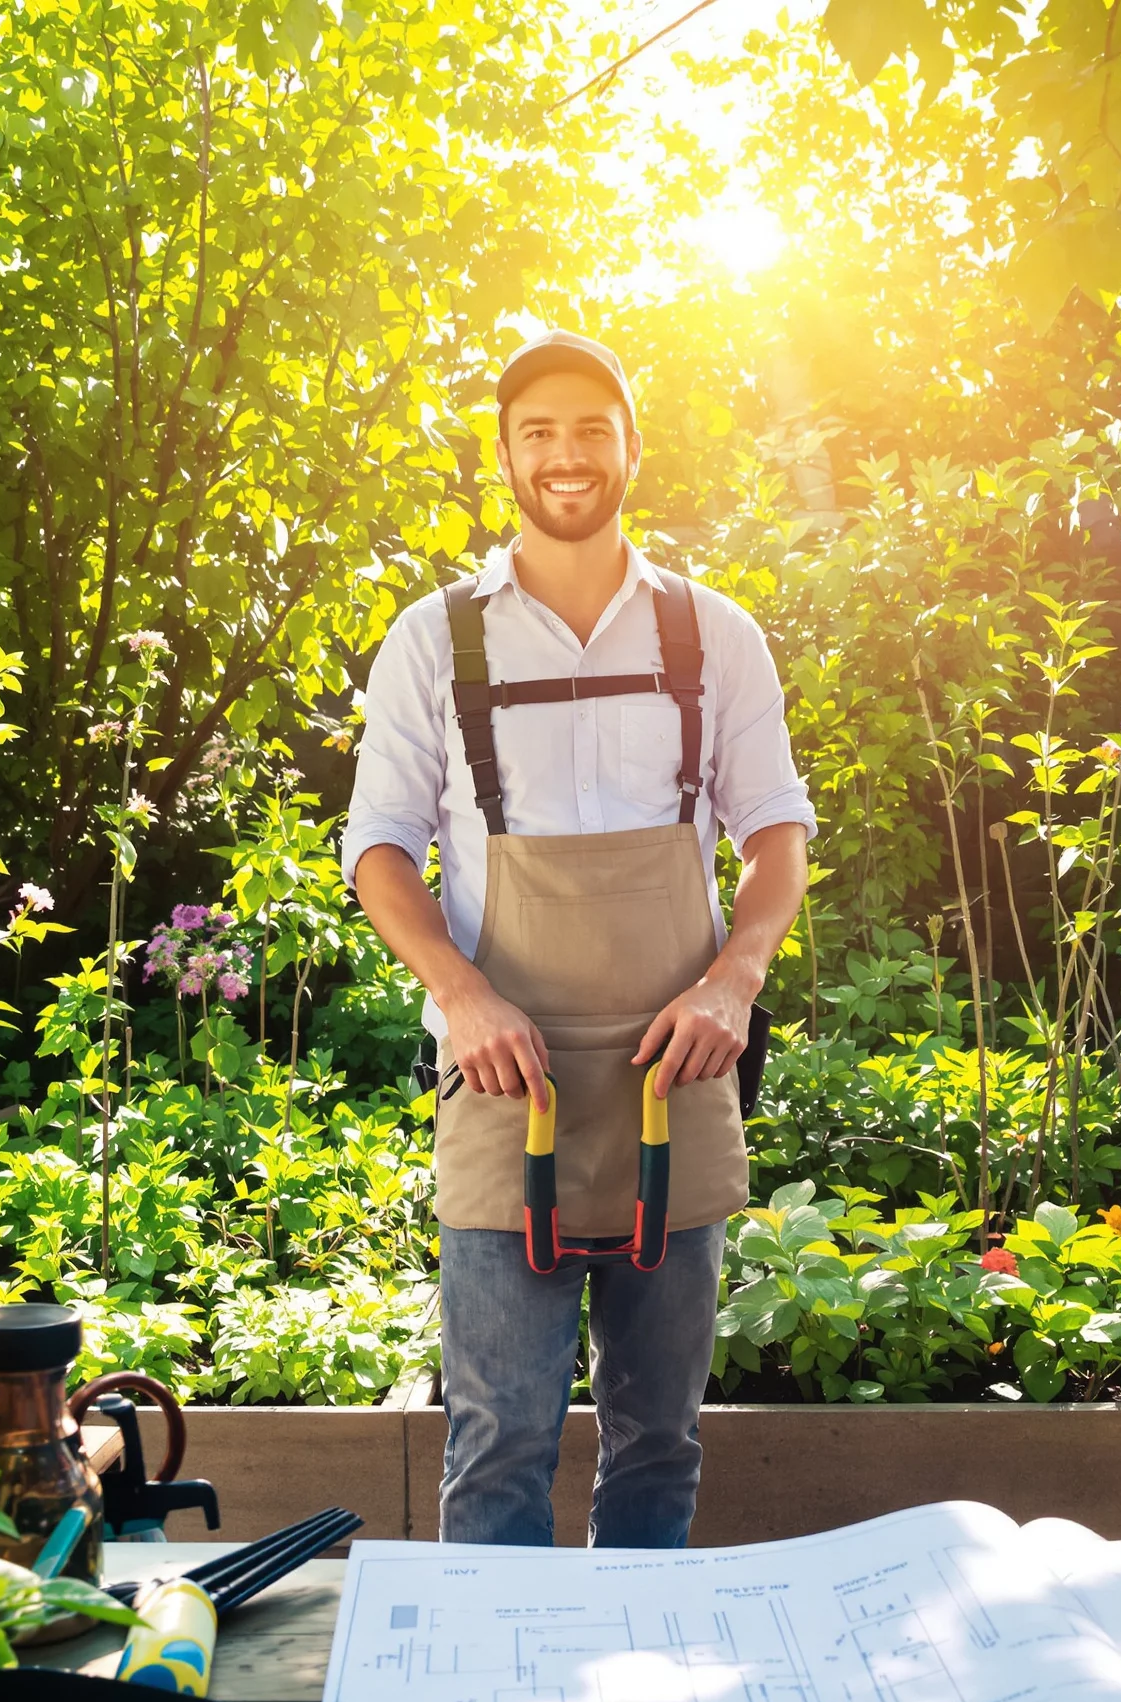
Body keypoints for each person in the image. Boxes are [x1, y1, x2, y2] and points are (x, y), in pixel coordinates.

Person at [343, 330, 813, 1547]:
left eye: (590, 430)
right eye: (537, 433)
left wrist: (734, 979)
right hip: (508, 1079)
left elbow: (774, 836)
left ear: (631, 447)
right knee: (497, 1435)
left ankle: (637, 1687)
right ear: (501, 456)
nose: (566, 456)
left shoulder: (714, 636)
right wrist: (461, 993)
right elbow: (378, 849)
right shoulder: (434, 641)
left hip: (679, 1071)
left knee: (659, 1433)